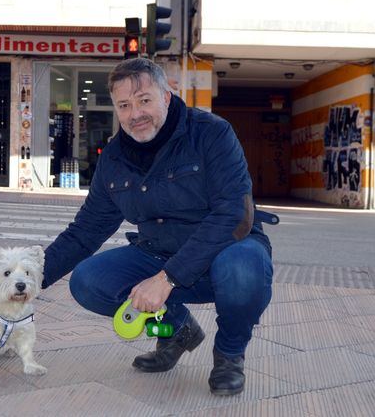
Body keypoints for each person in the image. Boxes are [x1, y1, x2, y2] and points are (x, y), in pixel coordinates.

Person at [42, 58, 273, 396]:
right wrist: (26, 279)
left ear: (166, 97)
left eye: (144, 100)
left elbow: (233, 215)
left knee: (244, 269)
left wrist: (167, 278)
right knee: (88, 282)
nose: (135, 114)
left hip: (225, 251)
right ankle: (177, 331)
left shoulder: (211, 133)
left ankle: (229, 355)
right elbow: (85, 231)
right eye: (124, 105)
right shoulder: (114, 157)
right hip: (158, 253)